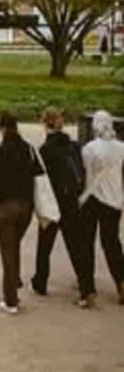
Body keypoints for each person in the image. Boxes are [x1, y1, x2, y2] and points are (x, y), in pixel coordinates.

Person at [0, 113, 43, 315]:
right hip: (26, 206)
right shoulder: (29, 150)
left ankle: (11, 300)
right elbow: (39, 174)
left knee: (7, 251)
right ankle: (14, 278)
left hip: (6, 206)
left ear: (2, 129)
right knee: (15, 244)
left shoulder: (0, 151)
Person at [30, 107, 86, 298]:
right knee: (75, 244)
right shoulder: (73, 146)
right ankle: (86, 284)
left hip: (53, 201)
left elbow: (40, 178)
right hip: (71, 199)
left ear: (45, 124)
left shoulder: (45, 150)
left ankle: (40, 280)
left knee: (45, 245)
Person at [77, 110, 124, 307]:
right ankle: (121, 282)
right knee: (111, 242)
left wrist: (82, 197)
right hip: (115, 199)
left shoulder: (89, 149)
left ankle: (87, 289)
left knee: (87, 242)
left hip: (93, 199)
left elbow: (88, 177)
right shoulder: (122, 148)